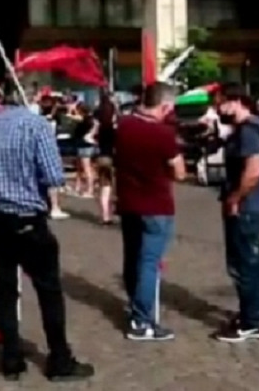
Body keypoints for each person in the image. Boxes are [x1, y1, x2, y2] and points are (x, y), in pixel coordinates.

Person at [0, 86, 94, 383]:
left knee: (5, 289)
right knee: (48, 290)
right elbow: (54, 175)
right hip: (28, 217)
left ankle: (11, 358)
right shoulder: (36, 126)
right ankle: (59, 358)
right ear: (28, 100)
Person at [114, 82, 186, 341]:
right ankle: (143, 320)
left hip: (128, 201)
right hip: (156, 204)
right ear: (164, 106)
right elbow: (179, 171)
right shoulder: (163, 134)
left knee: (132, 258)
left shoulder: (123, 126)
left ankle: (136, 307)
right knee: (150, 264)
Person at [215, 83, 259, 343]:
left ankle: (251, 320)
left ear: (236, 102)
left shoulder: (248, 132)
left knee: (244, 264)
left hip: (246, 206)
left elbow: (253, 170)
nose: (218, 108)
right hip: (254, 205)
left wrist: (235, 198)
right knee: (256, 260)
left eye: (221, 102)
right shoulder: (255, 128)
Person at [95, 93, 117, 226]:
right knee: (115, 189)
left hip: (101, 157)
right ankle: (113, 212)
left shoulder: (100, 130)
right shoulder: (114, 131)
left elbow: (90, 138)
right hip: (113, 158)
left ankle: (105, 216)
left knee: (104, 188)